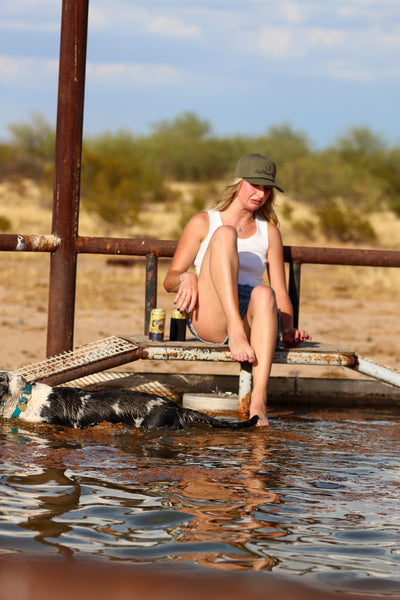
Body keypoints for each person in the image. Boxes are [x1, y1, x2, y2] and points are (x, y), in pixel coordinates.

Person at [163, 153, 311, 426]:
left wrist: (288, 329)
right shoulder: (204, 222)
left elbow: (280, 290)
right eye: (254, 185)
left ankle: (259, 401)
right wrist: (187, 277)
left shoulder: (269, 232)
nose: (261, 194)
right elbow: (169, 279)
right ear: (238, 182)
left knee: (265, 293)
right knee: (225, 234)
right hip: (213, 312)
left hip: (252, 314)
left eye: (267, 188)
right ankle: (235, 330)